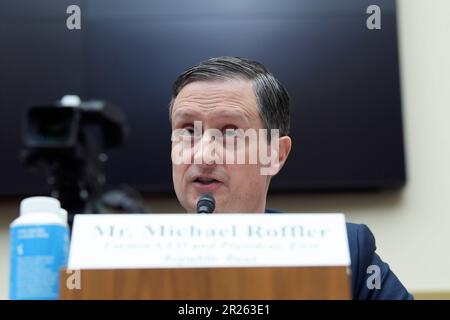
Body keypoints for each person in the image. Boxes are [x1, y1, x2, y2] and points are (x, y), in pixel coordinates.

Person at [169, 56, 413, 300]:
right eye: (189, 131)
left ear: (275, 155)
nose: (203, 155)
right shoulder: (135, 257)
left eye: (230, 132)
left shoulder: (341, 252)